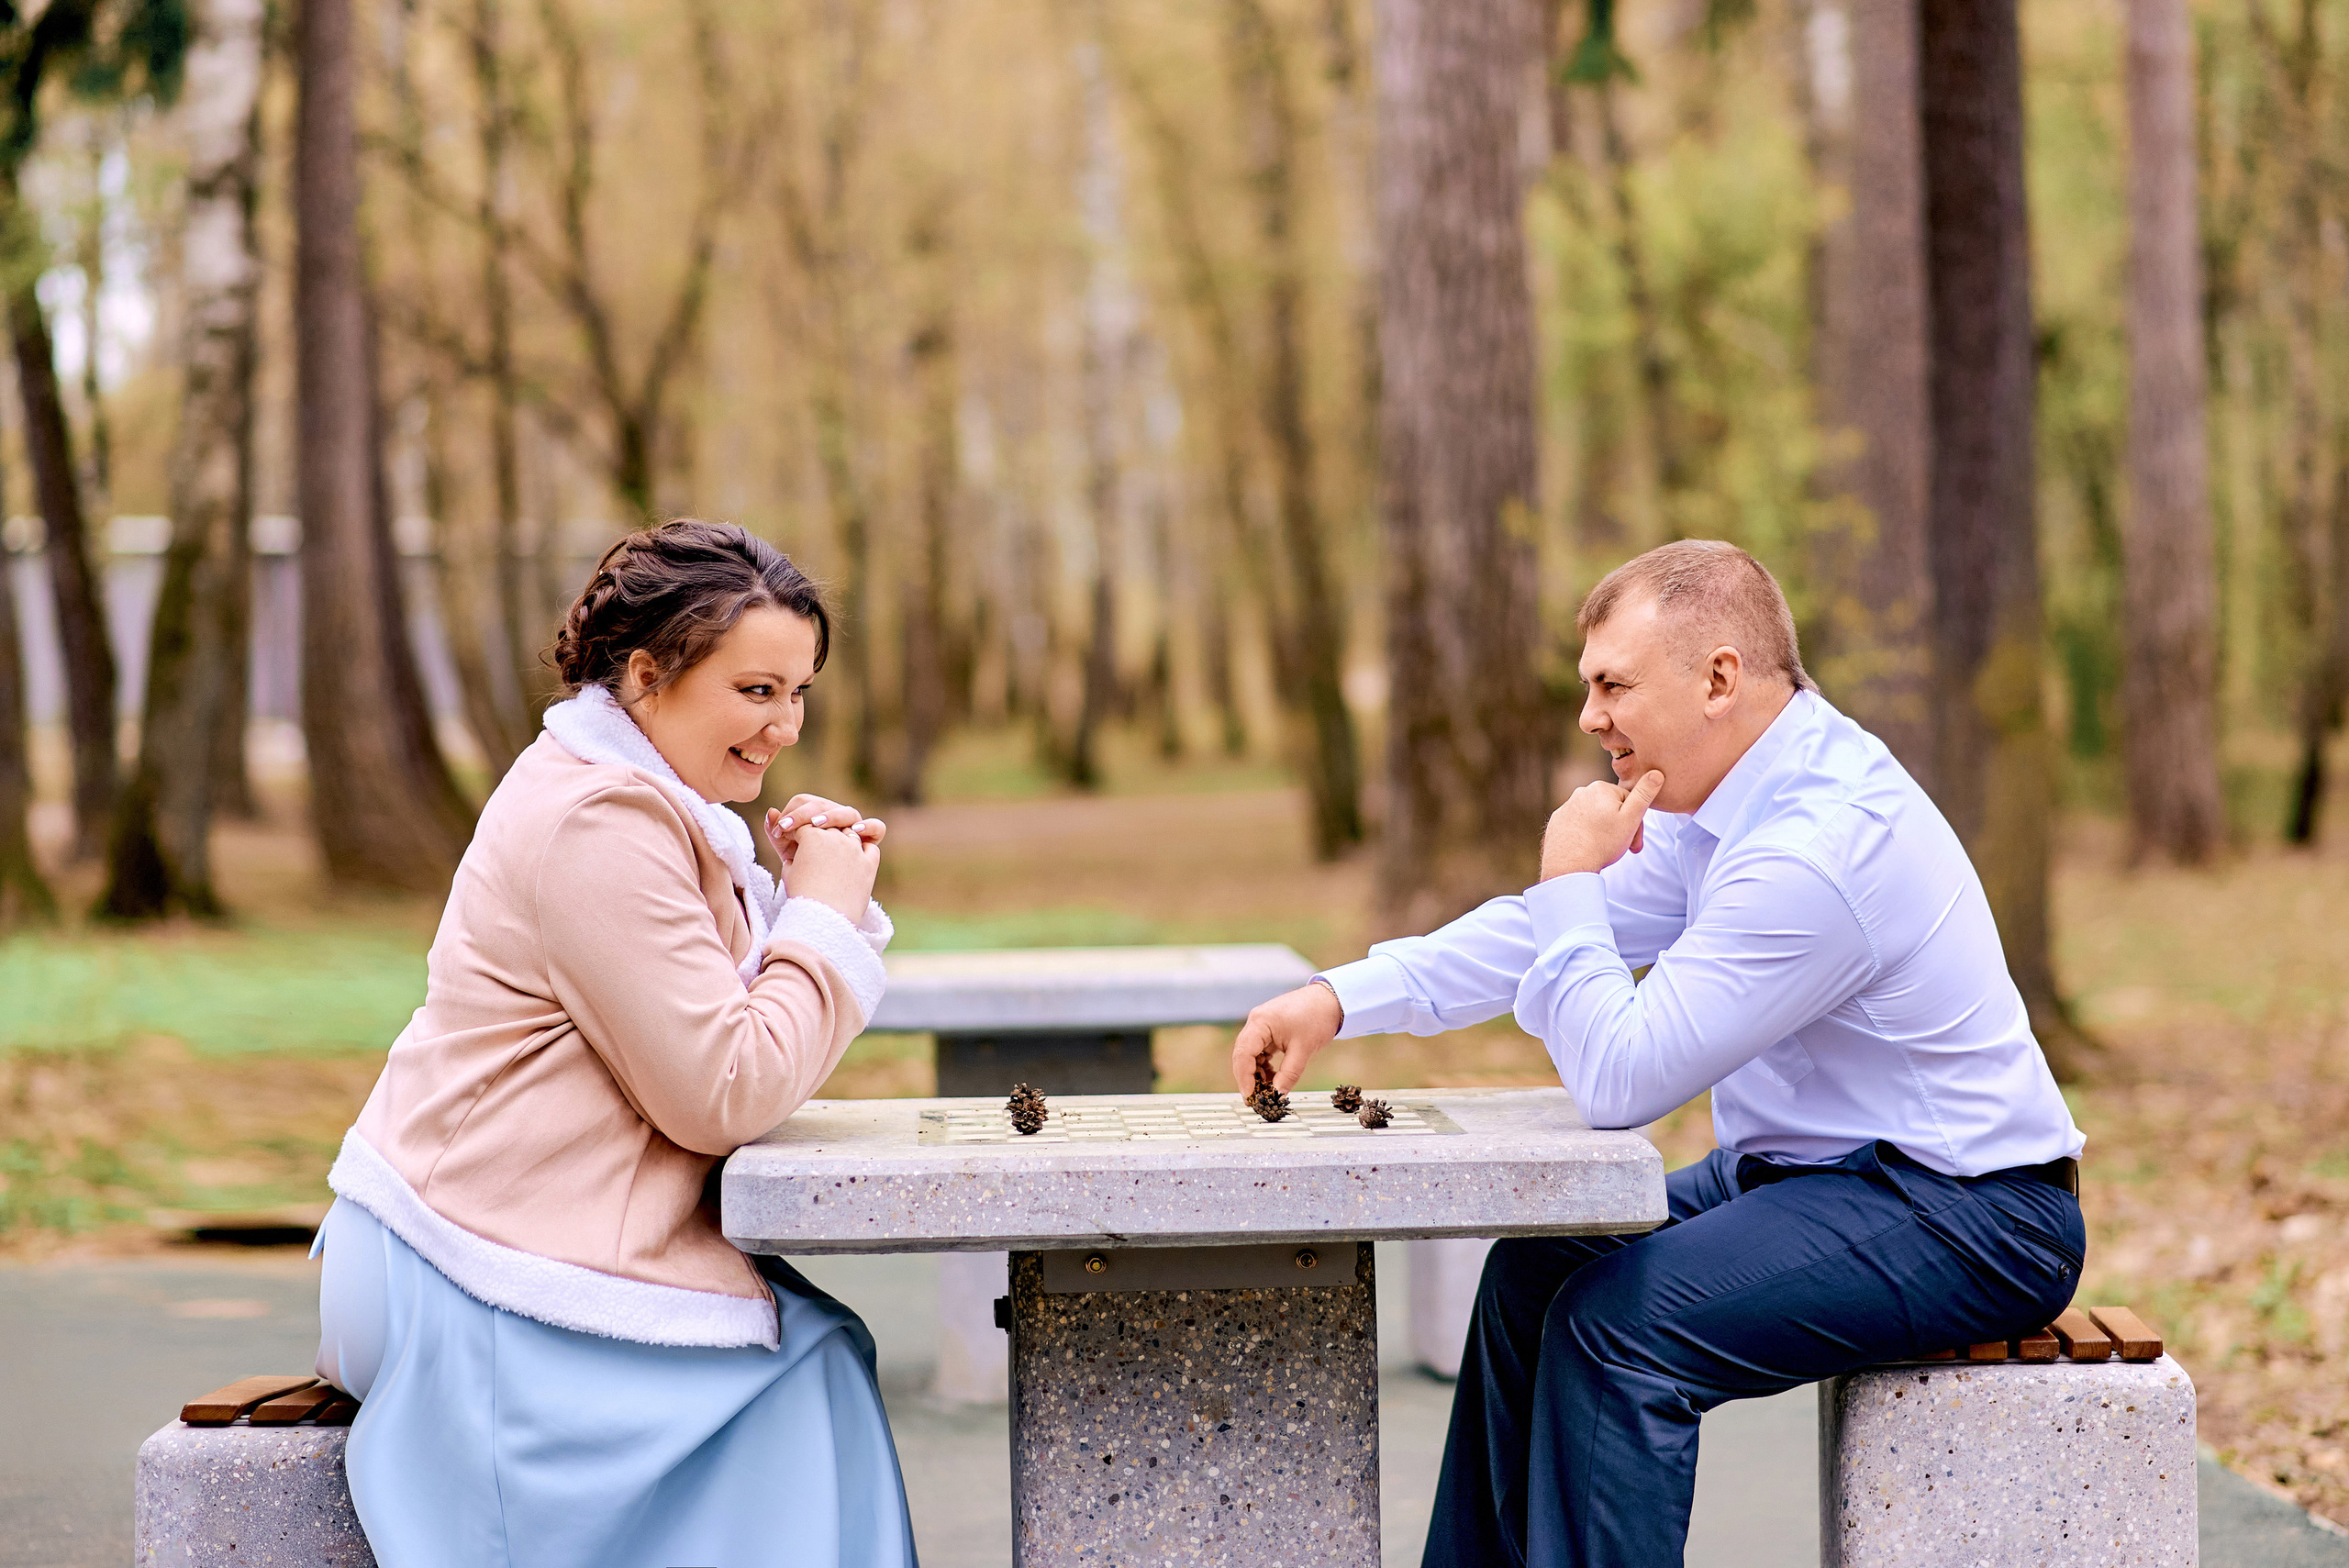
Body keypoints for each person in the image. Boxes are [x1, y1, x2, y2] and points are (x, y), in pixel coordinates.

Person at [1231, 540, 2086, 1568]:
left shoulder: (1814, 845)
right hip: (1813, 1174)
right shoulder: (1723, 796)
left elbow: (1620, 1079)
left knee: (1615, 1329)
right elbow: (1555, 931)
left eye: (1611, 684)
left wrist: (1568, 883)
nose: (1590, 717)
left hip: (1970, 1210)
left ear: (1718, 676)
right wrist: (1338, 996)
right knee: (1533, 1276)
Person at [312, 518, 918, 1568]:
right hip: (473, 1265)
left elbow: (701, 1028)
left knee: (824, 1350)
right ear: (647, 674)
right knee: (810, 1373)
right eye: (756, 690)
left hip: (532, 1232)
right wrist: (819, 919)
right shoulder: (598, 819)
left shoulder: (647, 805)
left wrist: (792, 907)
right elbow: (724, 1089)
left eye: (799, 691)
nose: (786, 726)